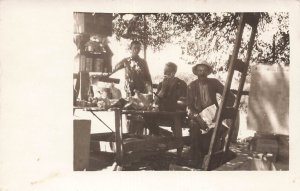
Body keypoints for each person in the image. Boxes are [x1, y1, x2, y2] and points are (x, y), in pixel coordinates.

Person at [187, 61, 237, 166]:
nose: (202, 73)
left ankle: (213, 157)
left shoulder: (214, 82)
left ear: (208, 72)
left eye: (204, 71)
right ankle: (196, 159)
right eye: (199, 70)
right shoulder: (191, 86)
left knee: (217, 130)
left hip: (214, 116)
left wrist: (220, 110)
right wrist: (198, 118)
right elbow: (190, 107)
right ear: (196, 72)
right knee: (194, 126)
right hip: (198, 116)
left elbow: (230, 96)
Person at [110, 40, 153, 134]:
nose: (136, 50)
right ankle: (129, 135)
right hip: (129, 91)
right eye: (134, 48)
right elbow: (114, 69)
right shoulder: (126, 61)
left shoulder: (143, 62)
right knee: (128, 113)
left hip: (140, 92)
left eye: (138, 48)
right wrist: (105, 76)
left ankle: (139, 137)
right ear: (131, 49)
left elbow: (148, 77)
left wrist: (150, 92)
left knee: (140, 115)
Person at [145, 62, 187, 135]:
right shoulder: (161, 84)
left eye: (166, 72)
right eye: (164, 71)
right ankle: (160, 135)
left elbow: (182, 103)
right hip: (163, 112)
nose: (164, 73)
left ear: (173, 73)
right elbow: (155, 102)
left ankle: (166, 137)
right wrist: (163, 90)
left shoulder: (180, 84)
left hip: (176, 113)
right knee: (146, 115)